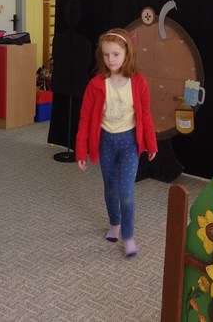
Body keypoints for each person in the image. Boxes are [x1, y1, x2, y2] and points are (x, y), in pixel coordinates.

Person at [76, 28, 158, 257]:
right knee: (110, 187)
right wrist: (81, 151)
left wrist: (151, 144)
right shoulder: (96, 84)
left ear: (127, 54)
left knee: (126, 190)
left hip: (129, 142)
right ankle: (115, 222)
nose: (111, 59)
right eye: (106, 55)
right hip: (106, 143)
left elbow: (146, 115)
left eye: (116, 54)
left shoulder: (138, 82)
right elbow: (84, 120)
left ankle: (128, 236)